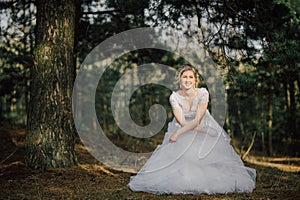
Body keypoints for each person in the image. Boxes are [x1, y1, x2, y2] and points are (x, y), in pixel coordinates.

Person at [128, 65, 256, 194]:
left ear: (195, 80)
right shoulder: (174, 97)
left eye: (190, 77)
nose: (187, 80)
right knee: (178, 157)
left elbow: (197, 120)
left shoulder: (203, 93)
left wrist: (179, 133)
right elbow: (182, 121)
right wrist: (195, 130)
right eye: (184, 77)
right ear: (179, 80)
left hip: (201, 124)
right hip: (187, 128)